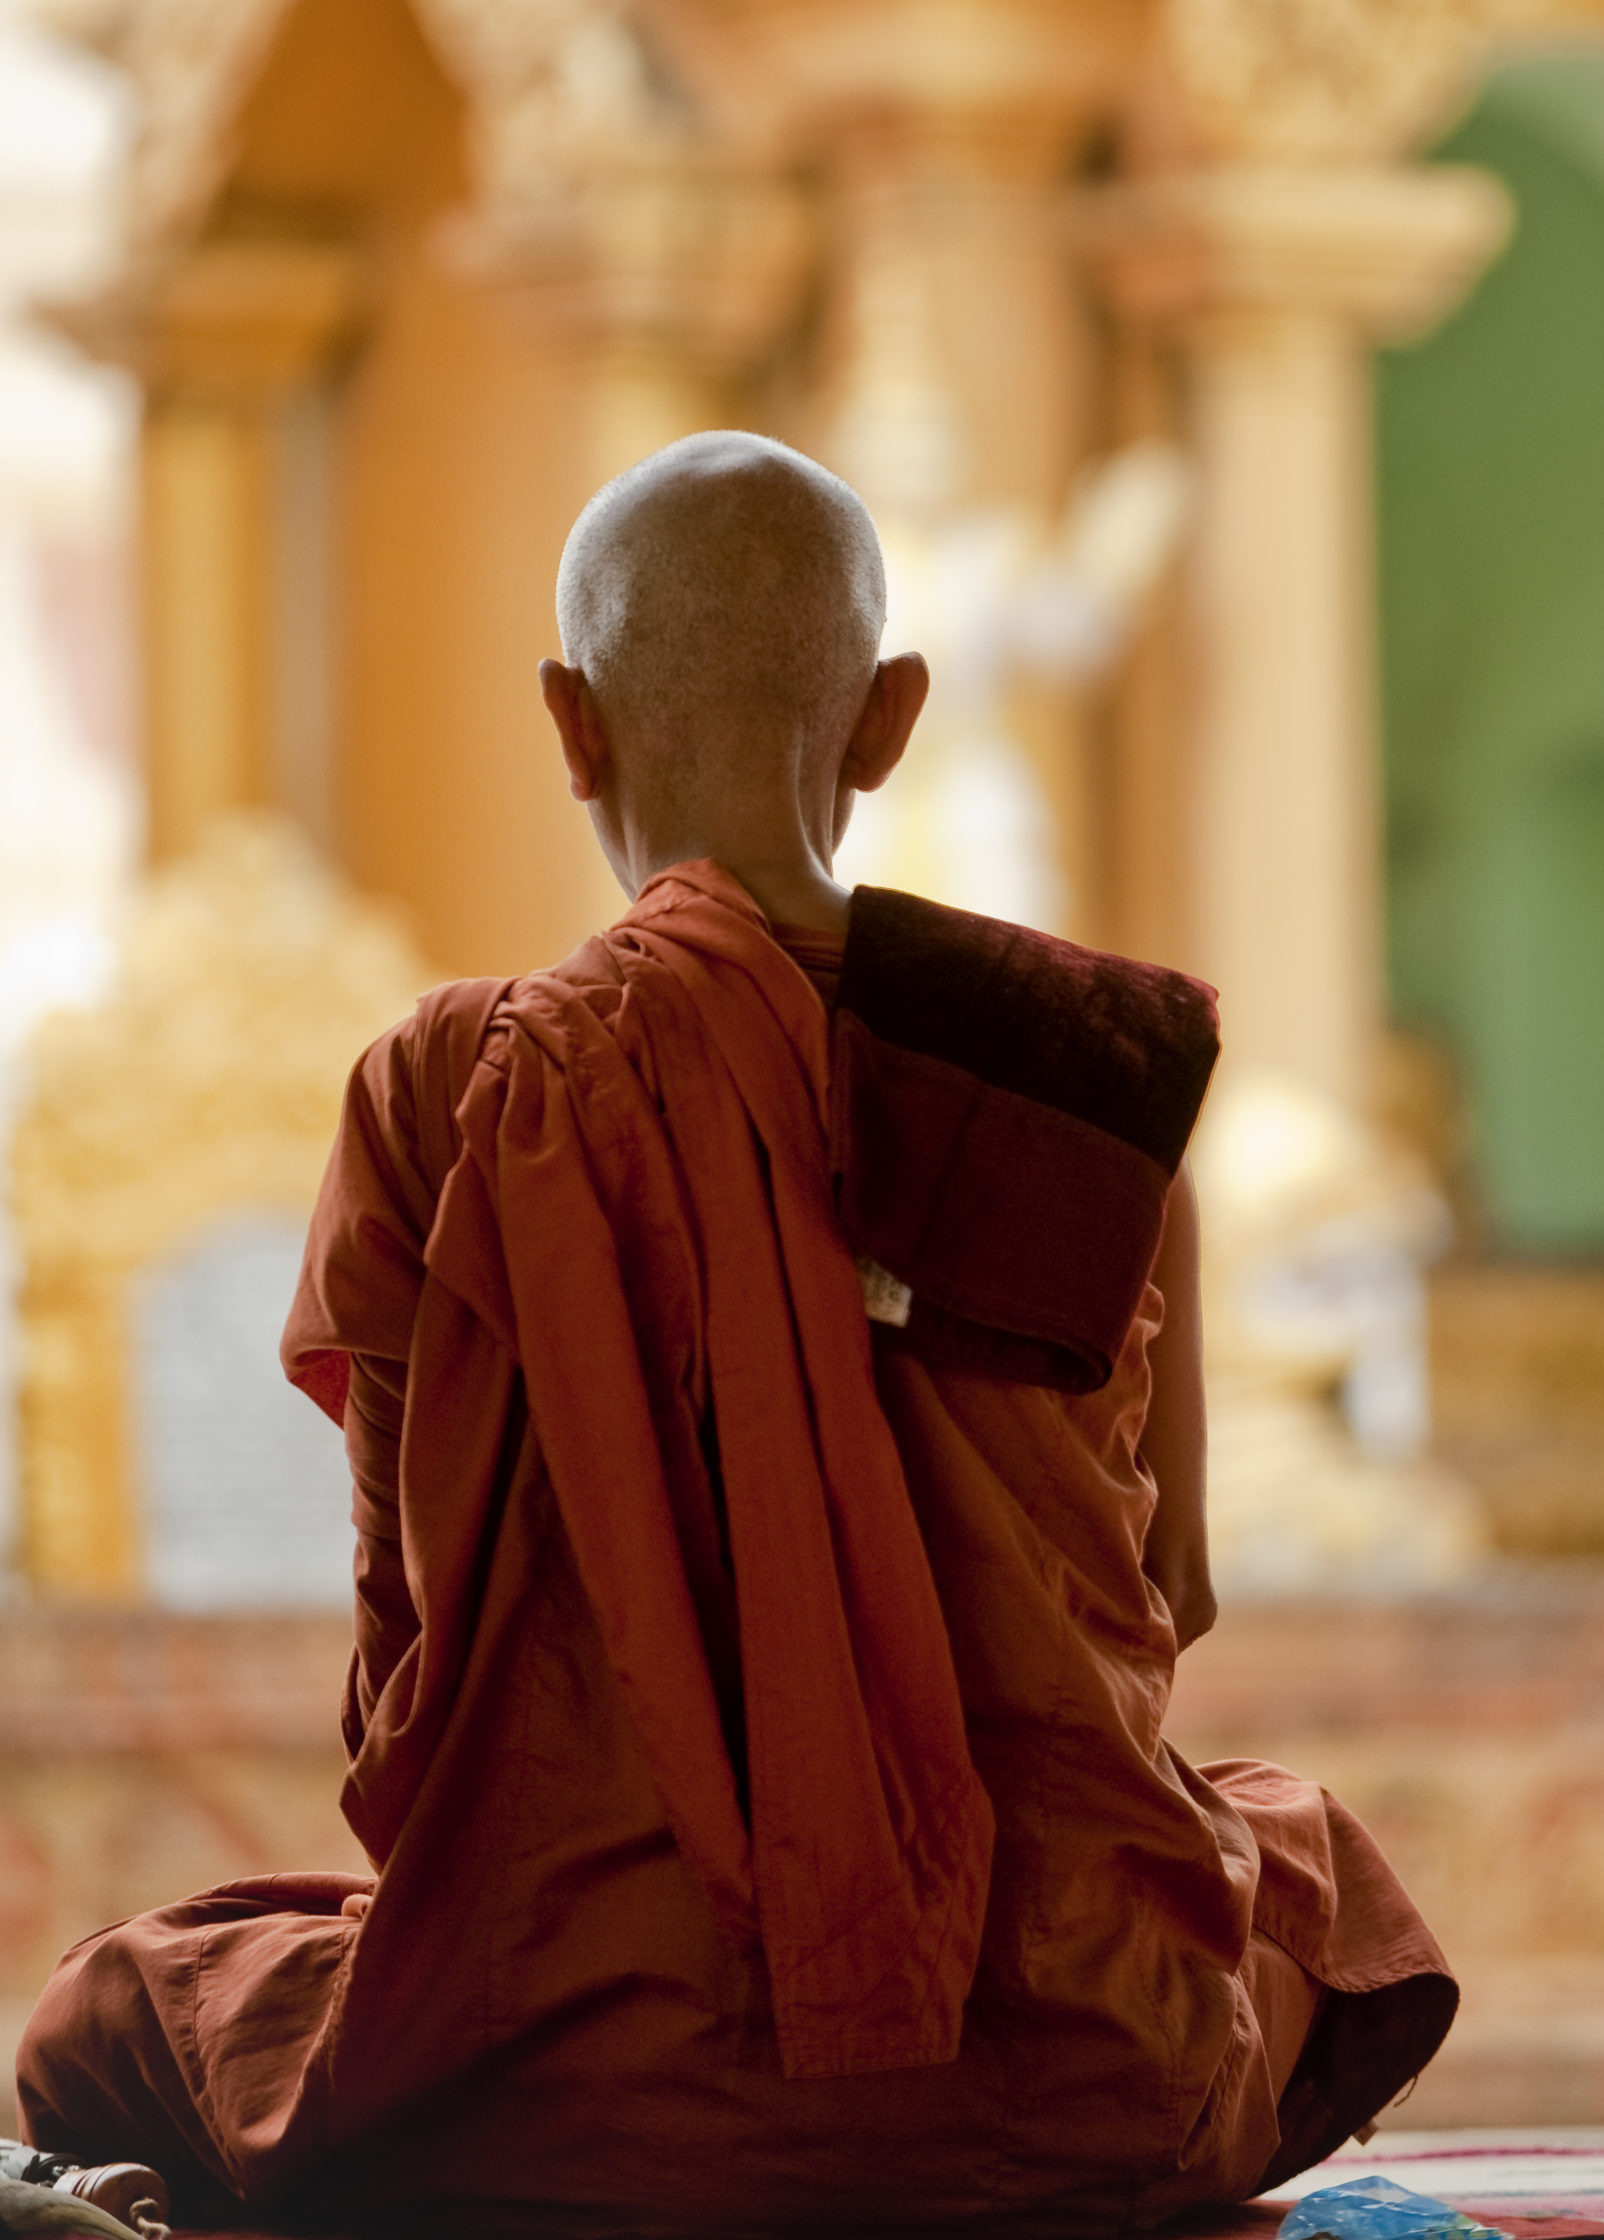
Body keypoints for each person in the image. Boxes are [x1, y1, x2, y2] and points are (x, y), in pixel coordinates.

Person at [13, 433, 1456, 2238]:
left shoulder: (449, 1093)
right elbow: (1169, 1605)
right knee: (1304, 1864)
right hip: (1089, 2089)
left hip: (572, 2089)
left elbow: (406, 1680)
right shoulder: (1090, 1086)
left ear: (570, 721)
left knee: (114, 2011)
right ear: (893, 720)